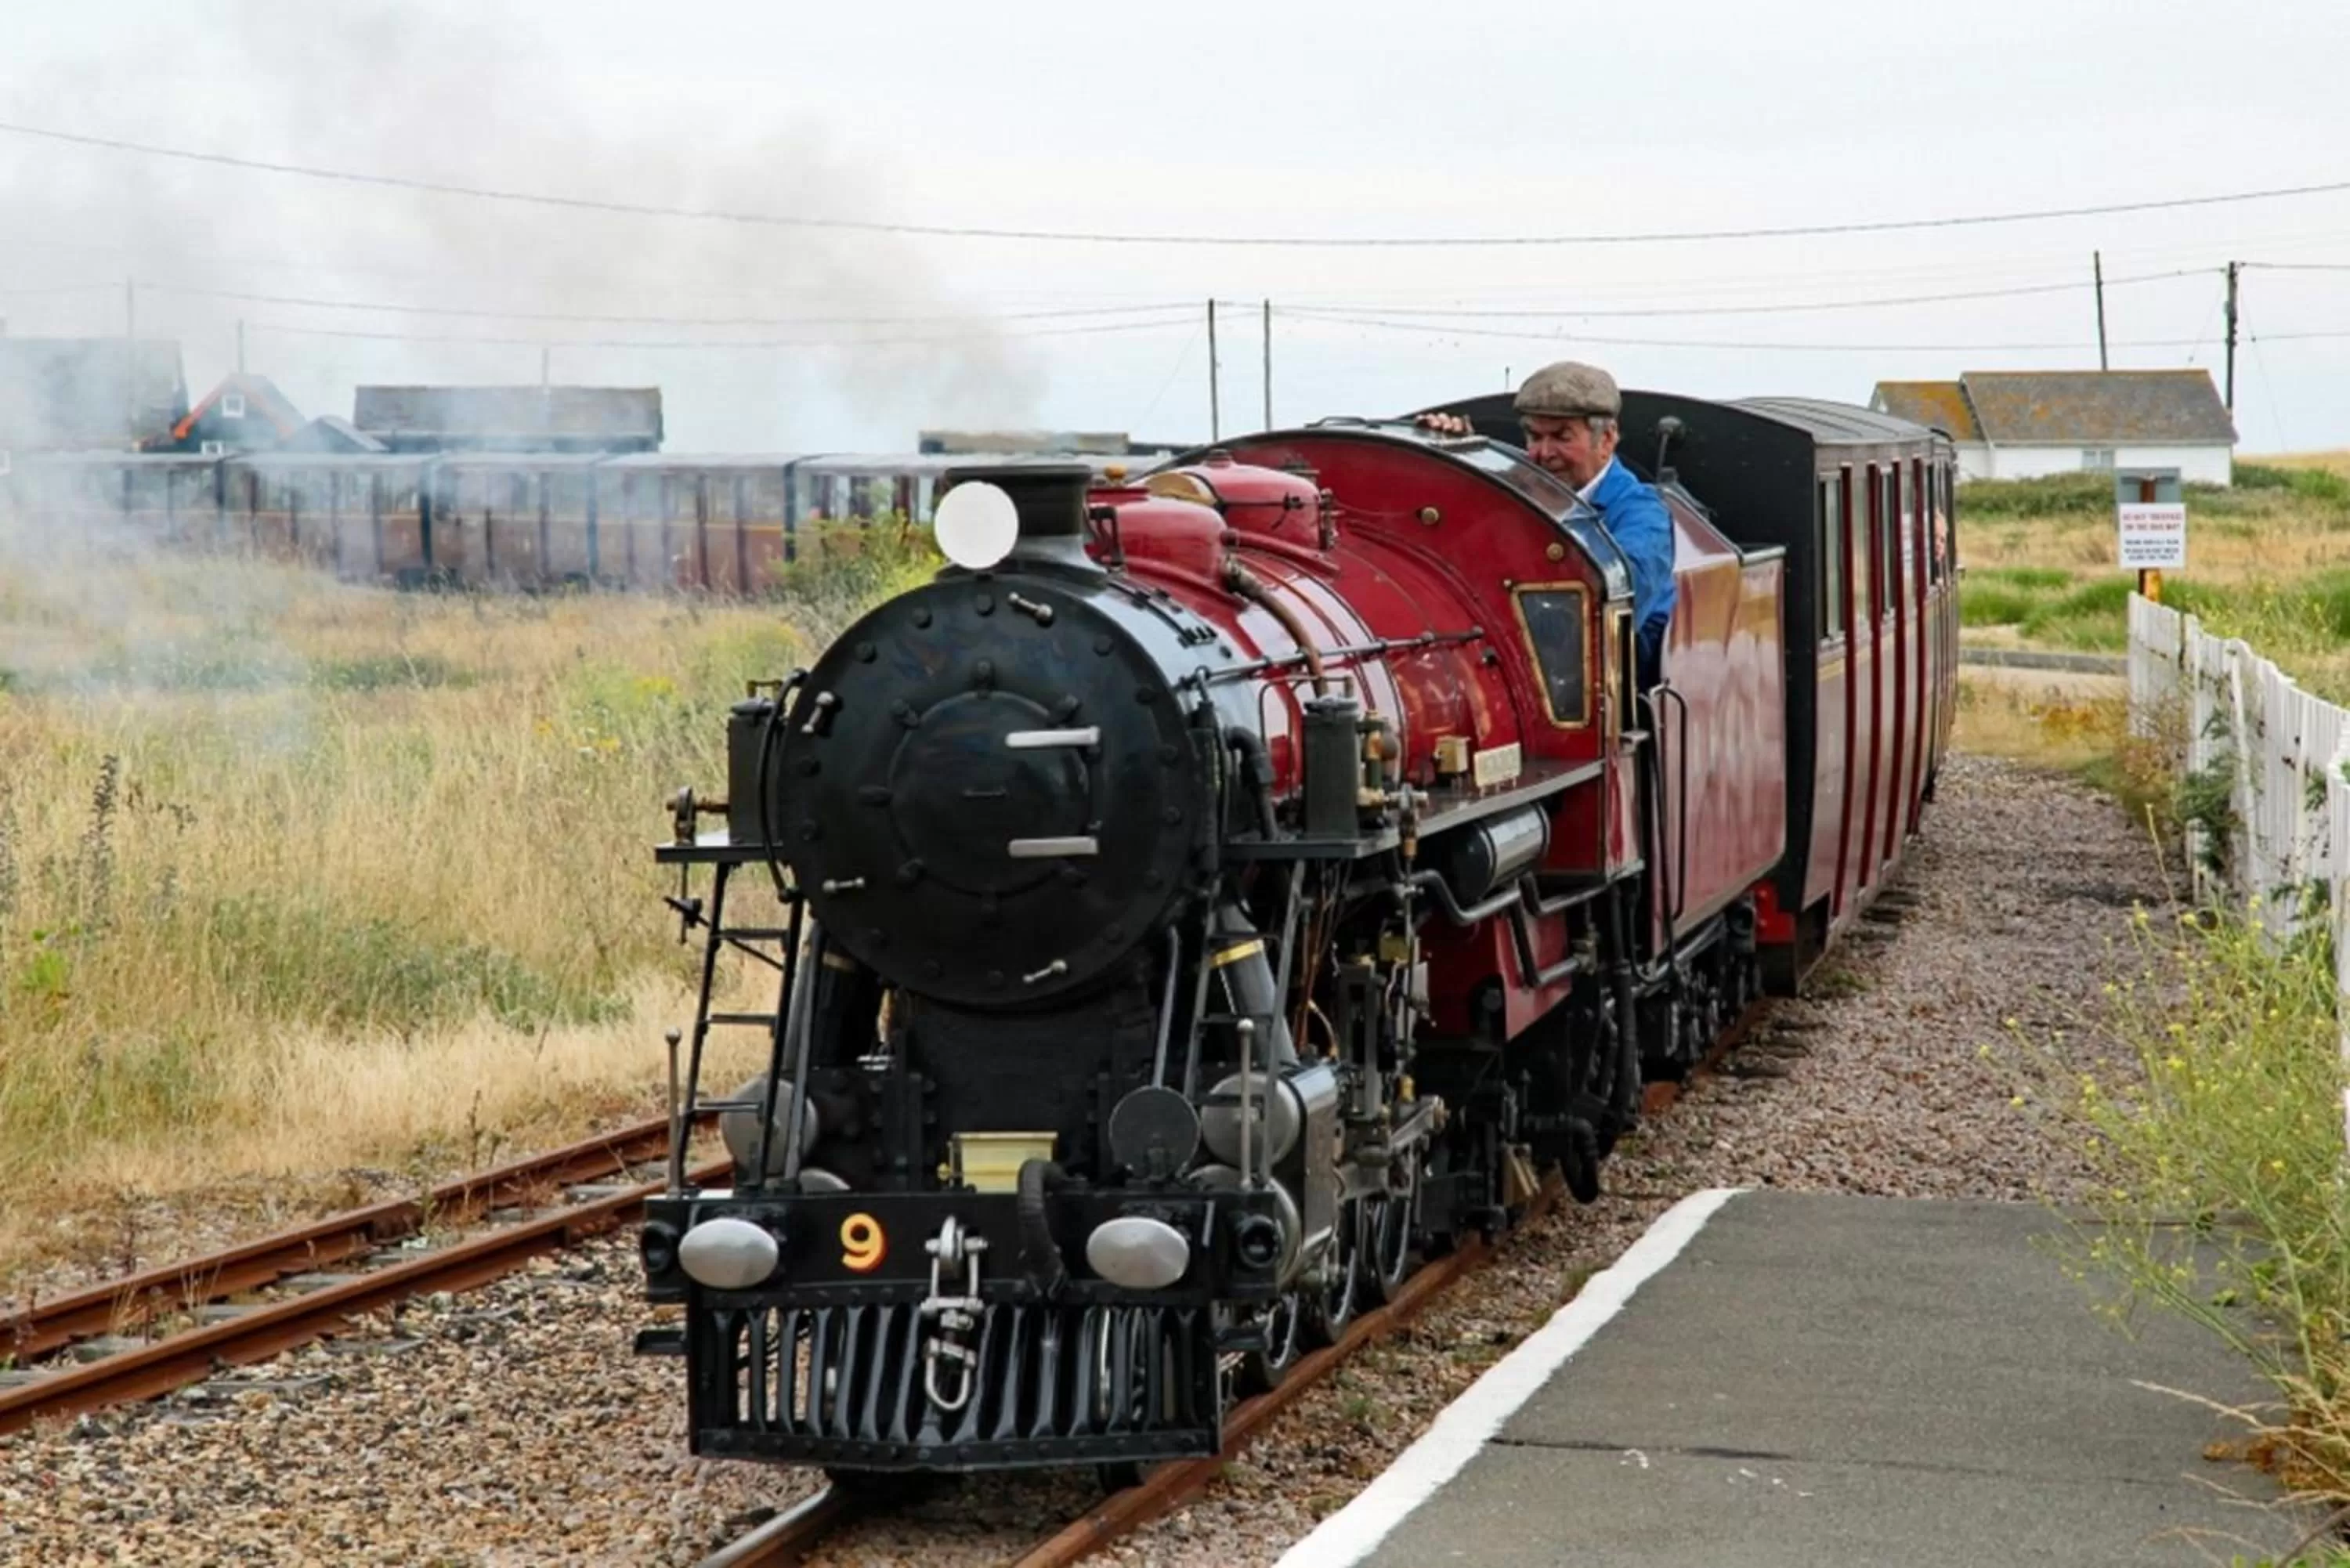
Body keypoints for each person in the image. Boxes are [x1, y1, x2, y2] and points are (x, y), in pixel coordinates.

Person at [1420, 362, 1675, 689]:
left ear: (1607, 439)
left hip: (1602, 695)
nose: (1543, 453)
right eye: (1534, 437)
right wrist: (1449, 462)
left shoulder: (1643, 515)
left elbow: (1607, 600)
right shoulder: (1517, 495)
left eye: (1561, 437)